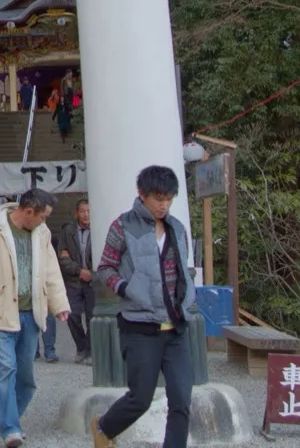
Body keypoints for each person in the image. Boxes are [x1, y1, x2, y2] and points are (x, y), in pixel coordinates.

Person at [91, 167, 198, 448]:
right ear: (142, 194)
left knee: (181, 400)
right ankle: (103, 427)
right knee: (140, 399)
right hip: (139, 327)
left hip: (176, 327)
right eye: (158, 198)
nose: (164, 205)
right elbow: (105, 267)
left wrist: (188, 298)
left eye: (169, 199)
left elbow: (183, 269)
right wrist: (126, 288)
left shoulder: (177, 227)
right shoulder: (122, 226)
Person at [0, 188, 70, 448]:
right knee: (5, 369)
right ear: (29, 212)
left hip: (32, 311)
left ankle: (11, 417)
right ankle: (10, 428)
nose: (45, 221)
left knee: (26, 376)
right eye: (43, 216)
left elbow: (51, 271)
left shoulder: (42, 233)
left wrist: (59, 303)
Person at [54, 198, 96, 364]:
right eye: (83, 211)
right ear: (76, 213)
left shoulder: (98, 228)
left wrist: (92, 273)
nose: (86, 215)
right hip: (74, 279)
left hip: (93, 281)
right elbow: (63, 257)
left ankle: (90, 351)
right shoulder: (68, 231)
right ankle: (81, 346)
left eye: (89, 211)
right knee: (72, 315)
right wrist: (79, 271)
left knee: (92, 317)